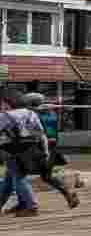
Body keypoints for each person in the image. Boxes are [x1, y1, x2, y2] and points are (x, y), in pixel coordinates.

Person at [22, 92, 78, 208]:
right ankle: (68, 193)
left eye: (27, 103)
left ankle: (24, 204)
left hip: (42, 149)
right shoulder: (49, 113)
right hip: (49, 147)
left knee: (20, 175)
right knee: (45, 176)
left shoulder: (37, 116)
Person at [1, 88, 47, 216]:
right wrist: (45, 150)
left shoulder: (5, 116)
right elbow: (41, 133)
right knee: (9, 179)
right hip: (30, 150)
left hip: (12, 151)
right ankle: (22, 204)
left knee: (19, 178)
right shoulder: (31, 114)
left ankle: (31, 206)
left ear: (8, 103)